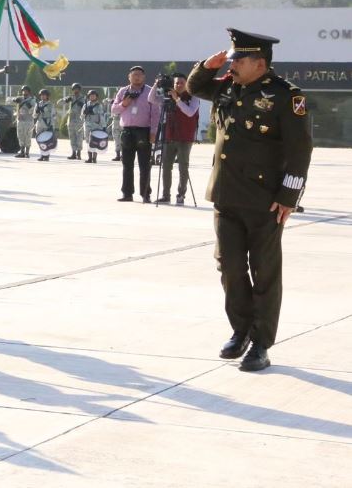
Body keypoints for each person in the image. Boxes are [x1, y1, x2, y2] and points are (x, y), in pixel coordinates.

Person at [187, 28, 312, 372]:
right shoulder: (228, 86)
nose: (232, 64)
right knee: (229, 267)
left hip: (265, 201)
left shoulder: (287, 96)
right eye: (231, 59)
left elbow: (300, 149)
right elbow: (194, 88)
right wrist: (206, 66)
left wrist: (289, 195)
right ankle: (240, 330)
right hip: (226, 195)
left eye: (238, 59)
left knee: (264, 272)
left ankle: (261, 342)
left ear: (259, 63)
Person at [148, 73, 199, 205]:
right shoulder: (168, 97)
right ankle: (166, 195)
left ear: (187, 84)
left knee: (183, 167)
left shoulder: (193, 97)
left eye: (182, 83)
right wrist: (156, 84)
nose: (179, 85)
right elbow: (151, 99)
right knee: (166, 167)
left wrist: (177, 100)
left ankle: (181, 194)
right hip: (169, 136)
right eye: (176, 83)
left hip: (185, 138)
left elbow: (190, 112)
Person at [111, 66, 159, 202]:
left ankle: (145, 194)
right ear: (129, 77)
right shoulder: (122, 91)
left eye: (139, 75)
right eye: (134, 74)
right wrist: (124, 104)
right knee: (127, 165)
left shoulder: (150, 92)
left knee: (144, 165)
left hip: (144, 131)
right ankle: (127, 193)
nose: (137, 77)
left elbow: (155, 114)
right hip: (127, 131)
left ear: (144, 77)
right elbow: (114, 110)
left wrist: (154, 132)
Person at [61, 82, 85, 160]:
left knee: (79, 138)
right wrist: (65, 100)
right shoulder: (71, 98)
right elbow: (60, 102)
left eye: (77, 89)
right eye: (74, 89)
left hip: (79, 121)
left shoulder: (83, 99)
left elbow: (86, 108)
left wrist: (82, 104)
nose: (75, 90)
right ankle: (73, 153)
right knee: (72, 138)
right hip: (70, 121)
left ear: (79, 90)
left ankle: (79, 153)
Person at [81, 89, 106, 164]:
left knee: (95, 141)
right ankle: (89, 158)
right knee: (88, 142)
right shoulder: (86, 105)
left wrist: (103, 126)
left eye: (93, 95)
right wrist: (84, 113)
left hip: (96, 125)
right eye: (91, 96)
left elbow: (101, 115)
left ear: (96, 97)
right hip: (87, 125)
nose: (92, 97)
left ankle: (94, 158)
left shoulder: (99, 105)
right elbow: (81, 116)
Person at [33, 88, 55, 162]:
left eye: (44, 95)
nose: (42, 96)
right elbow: (34, 116)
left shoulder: (50, 105)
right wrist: (36, 111)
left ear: (47, 96)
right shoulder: (38, 104)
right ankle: (42, 155)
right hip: (39, 123)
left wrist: (51, 125)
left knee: (46, 140)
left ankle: (47, 156)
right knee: (40, 140)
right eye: (41, 95)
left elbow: (53, 116)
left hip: (47, 124)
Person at [14, 85, 35, 157]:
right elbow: (13, 101)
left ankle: (27, 153)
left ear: (29, 92)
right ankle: (22, 152)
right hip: (20, 120)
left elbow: (33, 110)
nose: (24, 92)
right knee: (20, 136)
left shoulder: (32, 100)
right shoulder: (20, 99)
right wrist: (16, 100)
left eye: (26, 91)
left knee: (28, 136)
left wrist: (27, 104)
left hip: (28, 120)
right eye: (23, 91)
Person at [106, 96, 123, 161]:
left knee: (123, 140)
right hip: (115, 122)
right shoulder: (114, 104)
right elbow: (112, 114)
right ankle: (118, 155)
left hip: (122, 123)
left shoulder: (124, 103)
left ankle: (123, 155)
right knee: (116, 140)